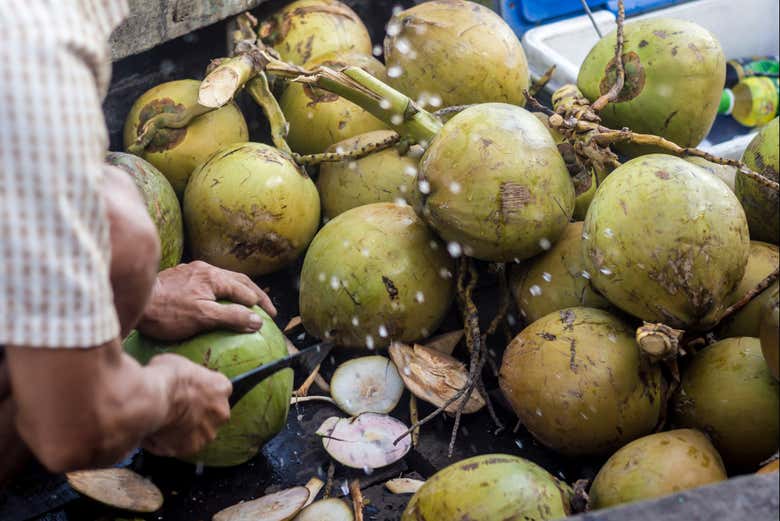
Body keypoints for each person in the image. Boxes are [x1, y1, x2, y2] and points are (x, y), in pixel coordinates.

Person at [0, 0, 276, 485]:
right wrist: (166, 398)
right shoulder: (35, 52)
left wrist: (138, 296)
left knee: (110, 211)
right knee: (120, 219)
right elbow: (71, 428)